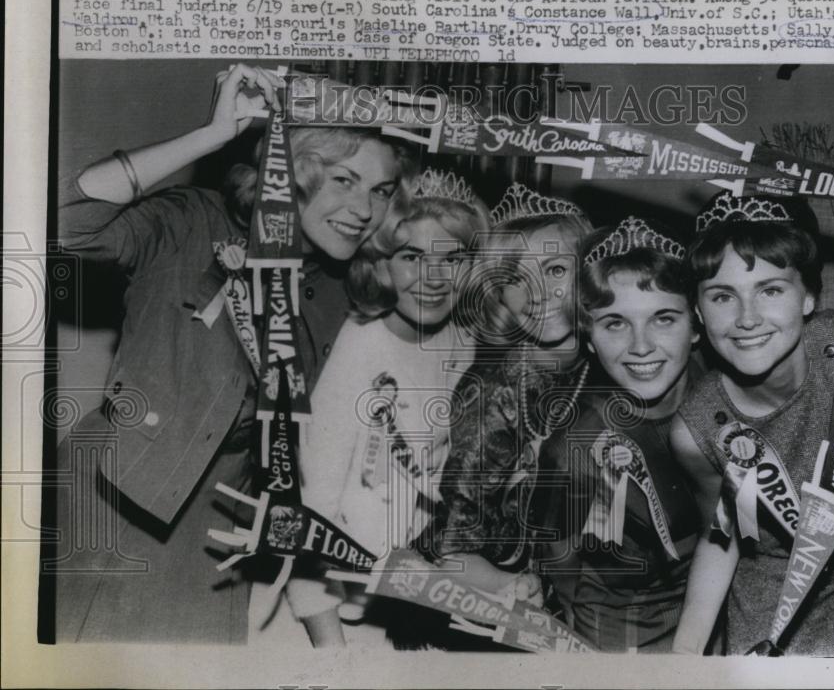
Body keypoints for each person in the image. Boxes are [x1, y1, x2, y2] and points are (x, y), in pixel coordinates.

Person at [51, 64, 415, 643]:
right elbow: (65, 226)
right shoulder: (193, 222)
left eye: (380, 190)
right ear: (293, 171)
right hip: (115, 497)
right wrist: (211, 135)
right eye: (345, 180)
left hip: (222, 528)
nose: (364, 209)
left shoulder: (344, 287)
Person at [669, 192, 834, 656]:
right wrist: (683, 660)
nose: (746, 318)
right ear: (699, 311)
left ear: (809, 298)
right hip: (780, 607)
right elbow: (720, 536)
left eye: (771, 290)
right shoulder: (697, 428)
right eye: (722, 296)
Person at [285, 167, 489, 648]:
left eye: (452, 259)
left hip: (419, 607)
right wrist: (332, 653)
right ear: (379, 262)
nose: (434, 278)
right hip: (330, 619)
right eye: (412, 256)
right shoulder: (358, 346)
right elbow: (309, 513)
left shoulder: (469, 345)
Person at [424, 183, 594, 617]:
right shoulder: (492, 394)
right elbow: (452, 552)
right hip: (496, 605)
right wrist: (515, 586)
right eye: (517, 277)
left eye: (556, 269)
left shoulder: (608, 364)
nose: (537, 294)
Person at [535, 216, 703, 652]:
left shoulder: (725, 396)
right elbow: (560, 562)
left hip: (717, 620)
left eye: (663, 318)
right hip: (625, 636)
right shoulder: (576, 445)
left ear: (698, 323)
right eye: (614, 323)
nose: (641, 345)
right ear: (588, 336)